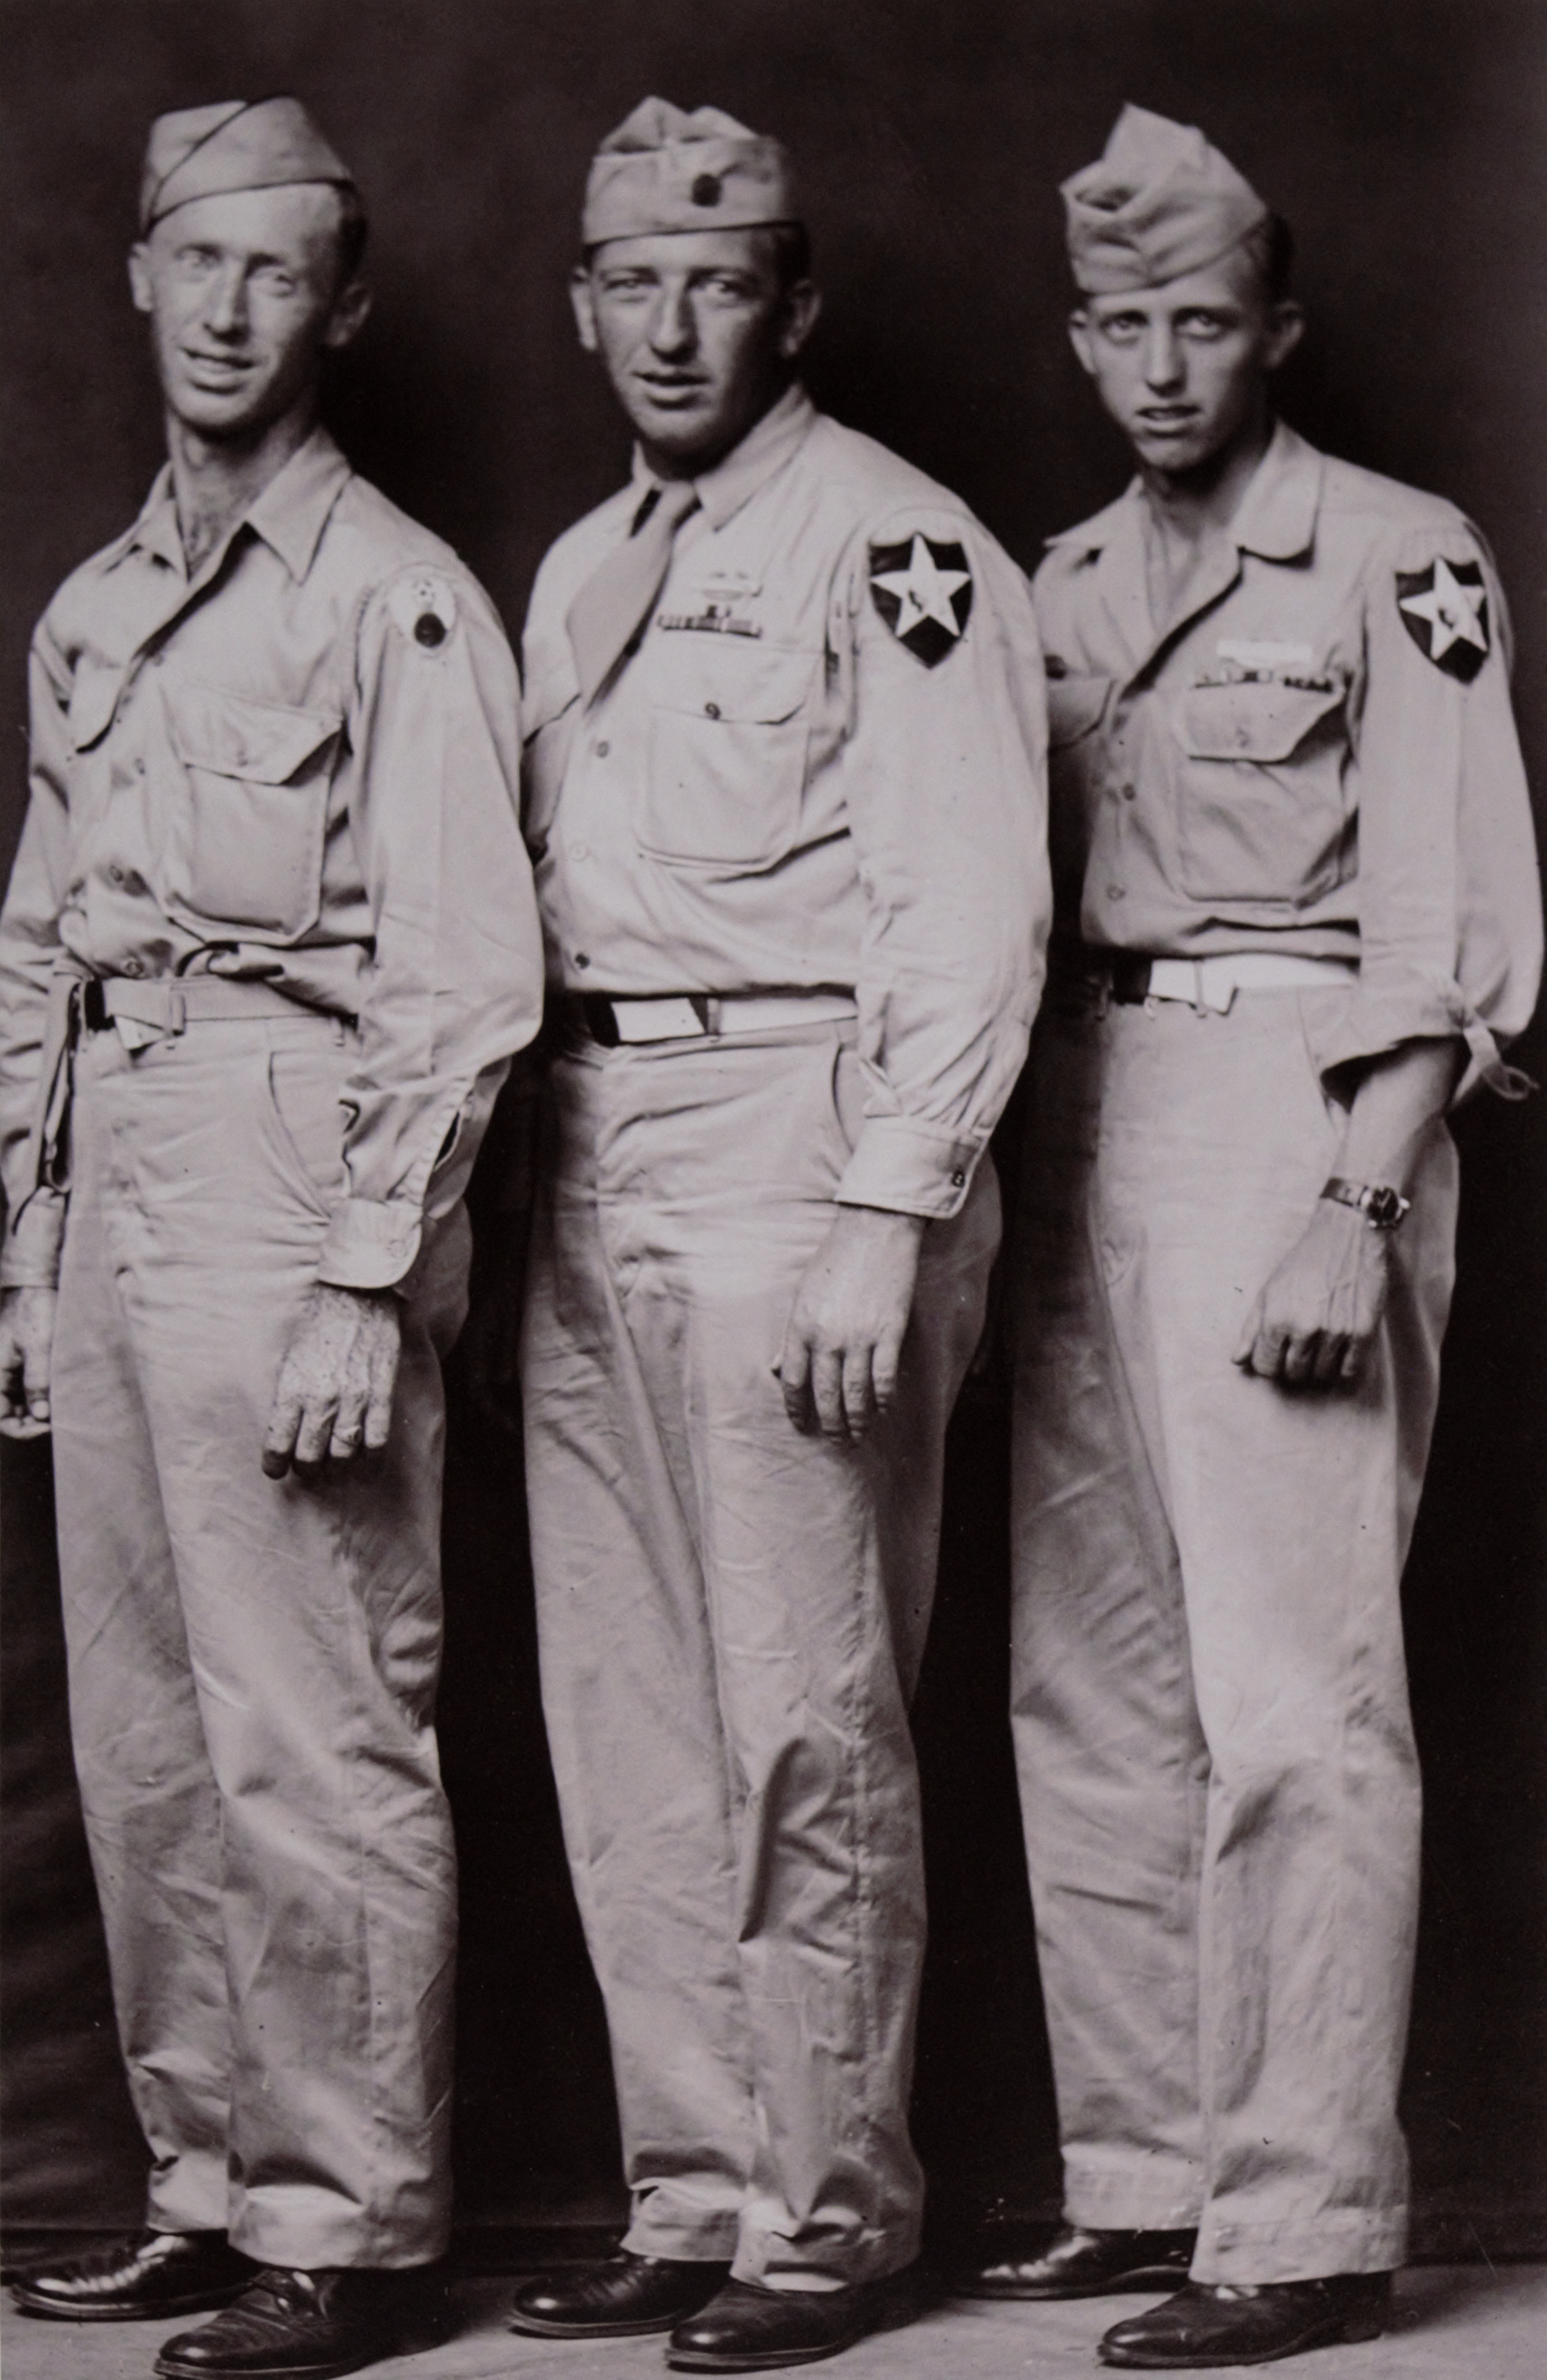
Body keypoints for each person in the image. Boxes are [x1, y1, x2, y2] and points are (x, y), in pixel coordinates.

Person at [953, 106, 1542, 2369]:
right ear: (1083, 344)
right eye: (1123, 329)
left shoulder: (1399, 557)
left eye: (1206, 324)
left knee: (1295, 1695)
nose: (1165, 369)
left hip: (1294, 1100)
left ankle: (1300, 2217)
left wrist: (1359, 1201)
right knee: (1086, 1680)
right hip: (1086, 1106)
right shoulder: (1059, 582)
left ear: (1277, 327)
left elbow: (1458, 912)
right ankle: (1150, 2173)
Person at [500, 97, 1049, 2374]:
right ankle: (697, 2181)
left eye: (718, 281)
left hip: (798, 1133)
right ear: (586, 306)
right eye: (633, 280)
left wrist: (882, 1218)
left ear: (793, 304)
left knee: (804, 1713)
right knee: (624, 1711)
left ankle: (831, 2213)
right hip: (592, 1136)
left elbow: (968, 908)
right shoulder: (572, 566)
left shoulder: (896, 549)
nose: (672, 322)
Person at [0, 98, 543, 2380]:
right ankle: (207, 2185)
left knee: (314, 1717)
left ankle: (351, 2218)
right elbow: (40, 942)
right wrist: (23, 1247)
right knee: (144, 1736)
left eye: (281, 272)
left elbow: (469, 973)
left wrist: (365, 1267)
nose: (232, 310)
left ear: (346, 306)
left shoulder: (391, 589)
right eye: (198, 262)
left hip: (293, 1153)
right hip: (123, 1158)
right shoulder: (101, 607)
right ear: (139, 274)